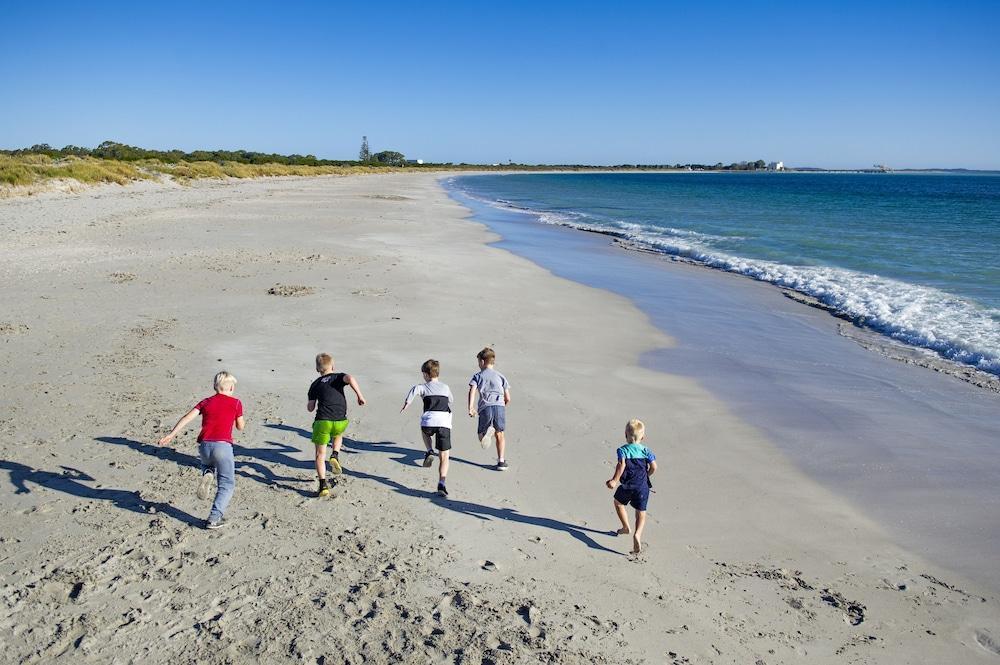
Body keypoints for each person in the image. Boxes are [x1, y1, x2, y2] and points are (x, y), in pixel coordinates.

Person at [158, 371, 245, 529]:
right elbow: (240, 427)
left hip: (204, 446)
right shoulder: (236, 403)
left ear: (214, 387)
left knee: (208, 464)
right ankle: (214, 518)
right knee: (226, 484)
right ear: (231, 387)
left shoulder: (206, 402)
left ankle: (208, 473)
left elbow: (187, 417)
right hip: (223, 447)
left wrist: (171, 435)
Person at [307, 353, 366, 497]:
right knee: (338, 434)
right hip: (340, 420)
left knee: (320, 455)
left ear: (317, 369)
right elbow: (350, 378)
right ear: (333, 366)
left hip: (322, 421)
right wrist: (359, 395)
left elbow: (310, 407)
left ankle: (323, 486)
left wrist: (313, 399)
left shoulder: (315, 384)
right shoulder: (339, 376)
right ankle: (335, 454)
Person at [401, 359, 453, 497]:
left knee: (425, 432)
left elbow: (414, 390)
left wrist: (407, 403)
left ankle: (429, 450)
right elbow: (451, 400)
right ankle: (442, 483)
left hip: (429, 422)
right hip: (444, 423)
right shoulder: (446, 387)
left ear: (425, 374)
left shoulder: (422, 387)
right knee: (444, 456)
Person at [605, 419, 657, 555]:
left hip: (627, 485)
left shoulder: (622, 450)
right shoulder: (646, 450)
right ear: (643, 437)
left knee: (618, 503)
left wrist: (614, 480)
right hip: (643, 487)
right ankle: (637, 534)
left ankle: (625, 527)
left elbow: (621, 465)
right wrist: (647, 476)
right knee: (641, 511)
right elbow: (654, 467)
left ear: (625, 435)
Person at [467, 347, 511, 471]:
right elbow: (508, 397)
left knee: (481, 436)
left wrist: (471, 407)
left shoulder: (478, 376)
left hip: (485, 407)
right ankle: (501, 461)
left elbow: (472, 391)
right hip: (499, 406)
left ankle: (486, 433)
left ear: (482, 361)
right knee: (500, 434)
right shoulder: (501, 376)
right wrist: (502, 406)